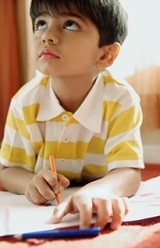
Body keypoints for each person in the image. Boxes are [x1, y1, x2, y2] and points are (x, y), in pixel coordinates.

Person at [0, 0, 144, 230]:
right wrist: (30, 183)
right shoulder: (24, 102)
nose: (47, 35)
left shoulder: (120, 99)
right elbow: (7, 170)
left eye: (69, 24)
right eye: (41, 23)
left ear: (106, 54)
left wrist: (98, 191)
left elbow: (129, 171)